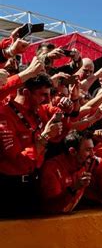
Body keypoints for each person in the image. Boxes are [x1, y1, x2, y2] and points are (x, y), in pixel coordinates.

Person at [0, 73, 63, 217]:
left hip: (33, 183)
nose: (47, 100)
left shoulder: (38, 110)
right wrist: (45, 136)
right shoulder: (4, 115)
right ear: (26, 92)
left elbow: (61, 131)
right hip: (11, 188)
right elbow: (18, 161)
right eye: (42, 95)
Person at [39, 129, 95, 214]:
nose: (92, 154)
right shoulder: (51, 168)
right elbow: (52, 209)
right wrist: (74, 188)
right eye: (88, 150)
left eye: (92, 149)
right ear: (73, 151)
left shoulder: (85, 165)